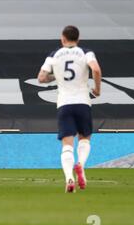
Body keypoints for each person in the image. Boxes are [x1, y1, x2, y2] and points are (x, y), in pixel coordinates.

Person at [37, 25, 102, 193]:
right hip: (82, 101)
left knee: (67, 144)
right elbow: (95, 69)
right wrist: (97, 89)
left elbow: (41, 78)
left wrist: (56, 76)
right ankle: (80, 164)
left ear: (63, 39)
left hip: (64, 103)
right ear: (78, 39)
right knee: (84, 138)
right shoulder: (85, 52)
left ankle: (69, 179)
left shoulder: (54, 55)